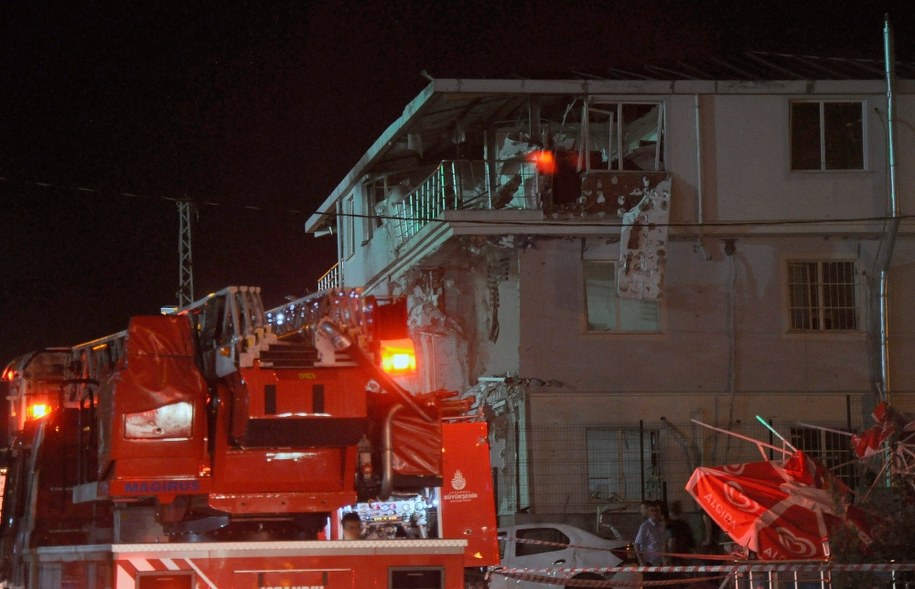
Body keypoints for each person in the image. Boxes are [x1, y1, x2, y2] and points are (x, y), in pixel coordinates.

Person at [634, 501, 665, 573]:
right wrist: (641, 563)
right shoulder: (645, 526)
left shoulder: (662, 526)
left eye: (657, 510)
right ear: (648, 512)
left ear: (660, 512)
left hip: (661, 562)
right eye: (652, 510)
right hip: (649, 563)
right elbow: (636, 544)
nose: (654, 513)